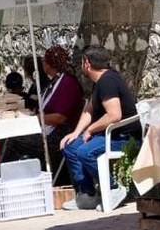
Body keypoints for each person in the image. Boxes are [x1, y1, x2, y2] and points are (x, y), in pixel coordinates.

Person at [60, 45, 140, 210]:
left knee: (85, 152)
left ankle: (113, 189)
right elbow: (89, 110)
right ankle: (88, 194)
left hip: (125, 137)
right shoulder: (99, 82)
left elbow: (114, 115)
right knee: (70, 147)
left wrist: (90, 130)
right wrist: (76, 133)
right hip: (110, 135)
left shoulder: (108, 81)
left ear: (86, 63)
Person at [1, 46, 85, 172]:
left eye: (44, 60)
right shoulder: (56, 81)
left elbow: (59, 118)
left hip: (58, 135)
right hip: (49, 129)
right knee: (9, 132)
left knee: (10, 140)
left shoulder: (68, 84)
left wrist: (36, 119)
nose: (43, 63)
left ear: (50, 64)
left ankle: (10, 176)